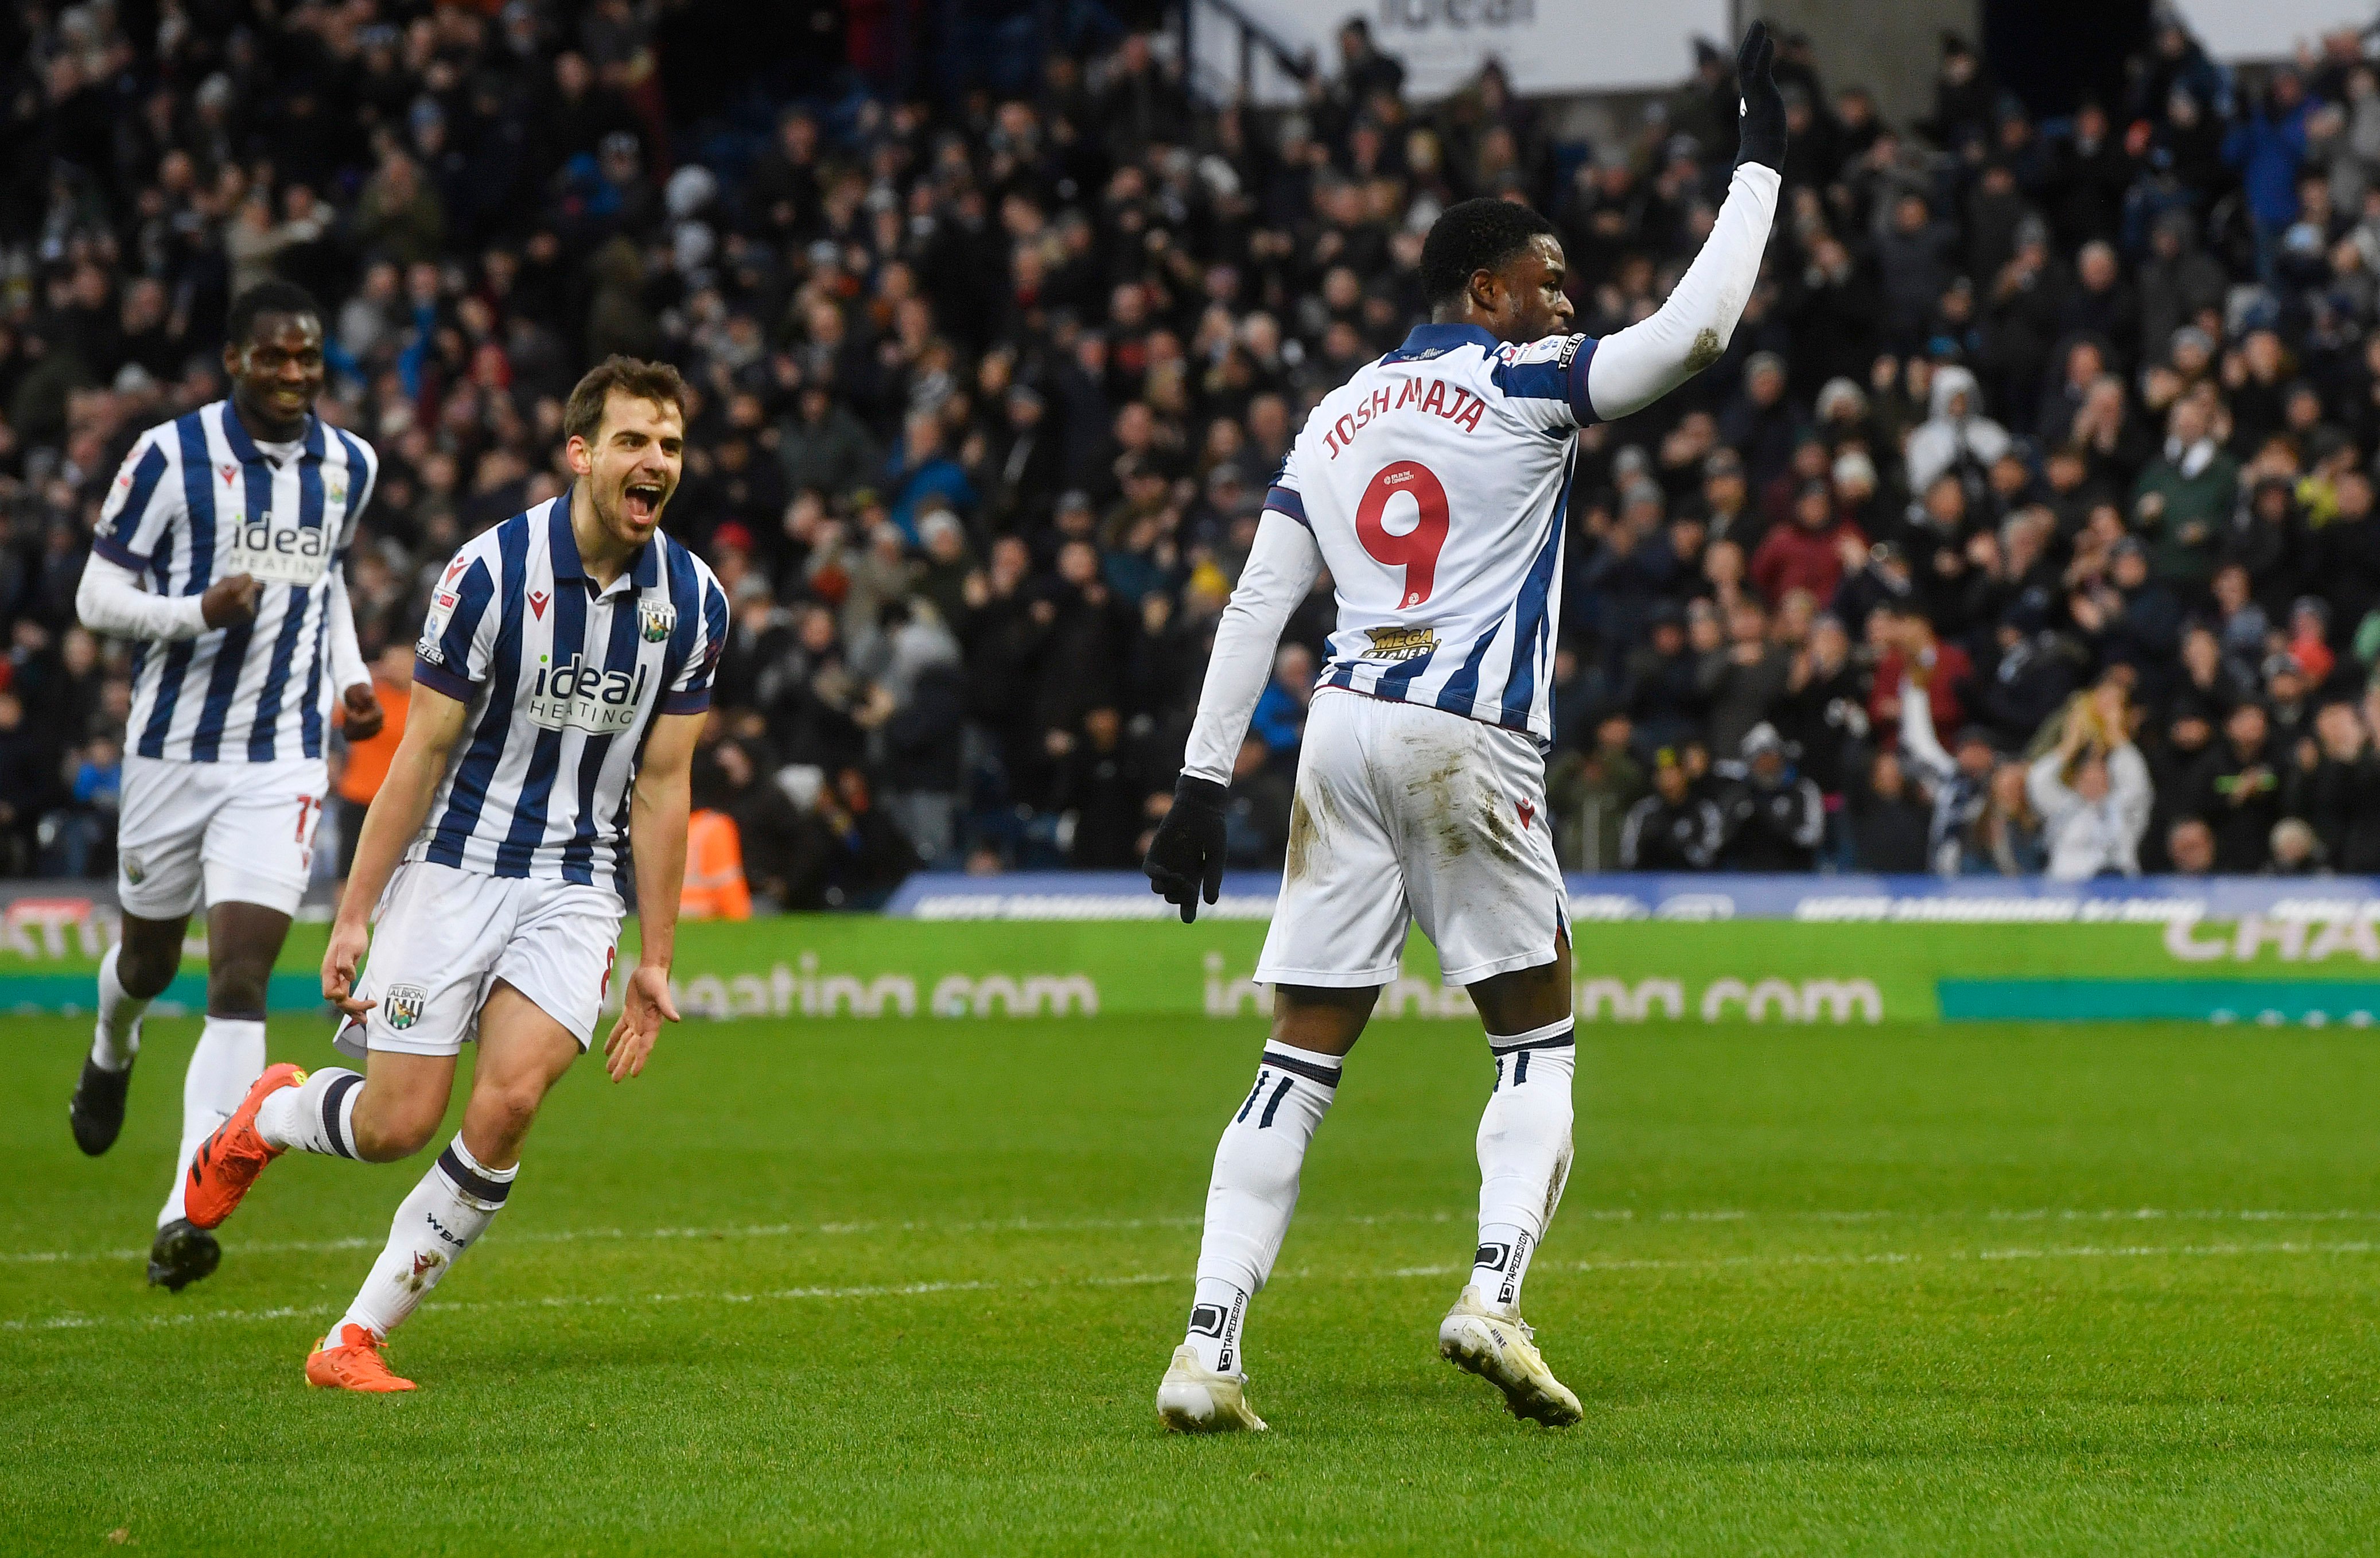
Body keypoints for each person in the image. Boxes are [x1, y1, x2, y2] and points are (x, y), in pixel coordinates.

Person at [1137, 24, 1784, 1433]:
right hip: (1465, 738)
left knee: (1296, 1061)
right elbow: (1700, 331)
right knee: (1536, 1044)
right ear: (1486, 287)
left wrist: (1200, 780)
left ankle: (1205, 1344)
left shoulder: (1338, 411)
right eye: (1548, 281)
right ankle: (1491, 1293)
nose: (1568, 303)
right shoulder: (1524, 385)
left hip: (1341, 733)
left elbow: (1260, 597)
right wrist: (1759, 167)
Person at [176, 358, 726, 1392]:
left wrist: (658, 957)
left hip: (577, 883)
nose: (656, 463)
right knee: (396, 1125)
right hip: (457, 866)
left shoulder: (693, 601)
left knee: (509, 1103)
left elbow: (663, 784)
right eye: (634, 442)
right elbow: (421, 755)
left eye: (673, 446)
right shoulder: (489, 572)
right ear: (581, 454)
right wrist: (350, 920)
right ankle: (276, 1113)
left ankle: (353, 1338)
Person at [67, 281, 383, 1292]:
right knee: (149, 963)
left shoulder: (349, 465)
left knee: (238, 980)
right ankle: (113, 1040)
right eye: (275, 357)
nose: (295, 374)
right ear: (236, 358)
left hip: (281, 759)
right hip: (169, 751)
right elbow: (95, 594)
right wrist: (196, 612)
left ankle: (183, 1209)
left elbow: (324, 580)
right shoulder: (168, 456)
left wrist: (350, 679)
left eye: (309, 358)